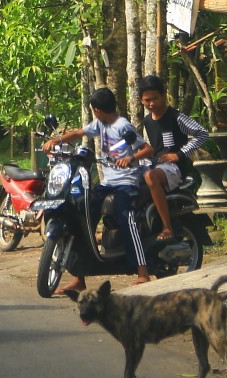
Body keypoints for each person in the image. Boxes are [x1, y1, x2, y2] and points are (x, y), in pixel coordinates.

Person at [42, 86, 152, 294]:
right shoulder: (100, 123)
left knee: (126, 218)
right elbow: (78, 133)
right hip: (107, 182)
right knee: (81, 217)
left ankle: (143, 272)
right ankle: (79, 277)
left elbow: (147, 149)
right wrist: (56, 140)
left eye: (93, 109)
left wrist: (130, 158)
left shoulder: (123, 126)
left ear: (97, 109)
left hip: (126, 182)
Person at [135, 73, 207, 243]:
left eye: (155, 98)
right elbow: (154, 148)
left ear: (163, 96)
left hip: (174, 169)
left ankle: (167, 226)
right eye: (147, 100)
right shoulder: (147, 121)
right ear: (141, 100)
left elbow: (202, 134)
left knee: (150, 176)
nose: (151, 103)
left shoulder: (176, 117)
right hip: (157, 164)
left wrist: (180, 154)